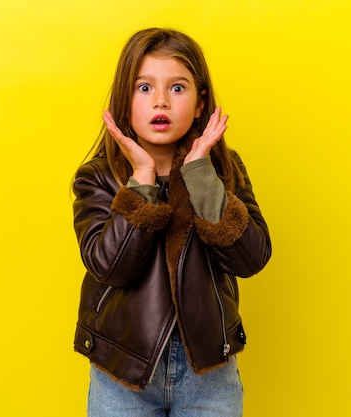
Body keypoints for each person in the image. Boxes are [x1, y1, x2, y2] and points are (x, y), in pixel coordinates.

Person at [72, 27, 271, 417]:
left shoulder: (223, 171)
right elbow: (110, 267)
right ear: (124, 100)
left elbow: (251, 259)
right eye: (144, 88)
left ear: (200, 103)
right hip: (122, 373)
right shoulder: (98, 177)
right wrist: (142, 180)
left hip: (209, 374)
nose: (160, 100)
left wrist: (200, 176)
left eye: (177, 88)